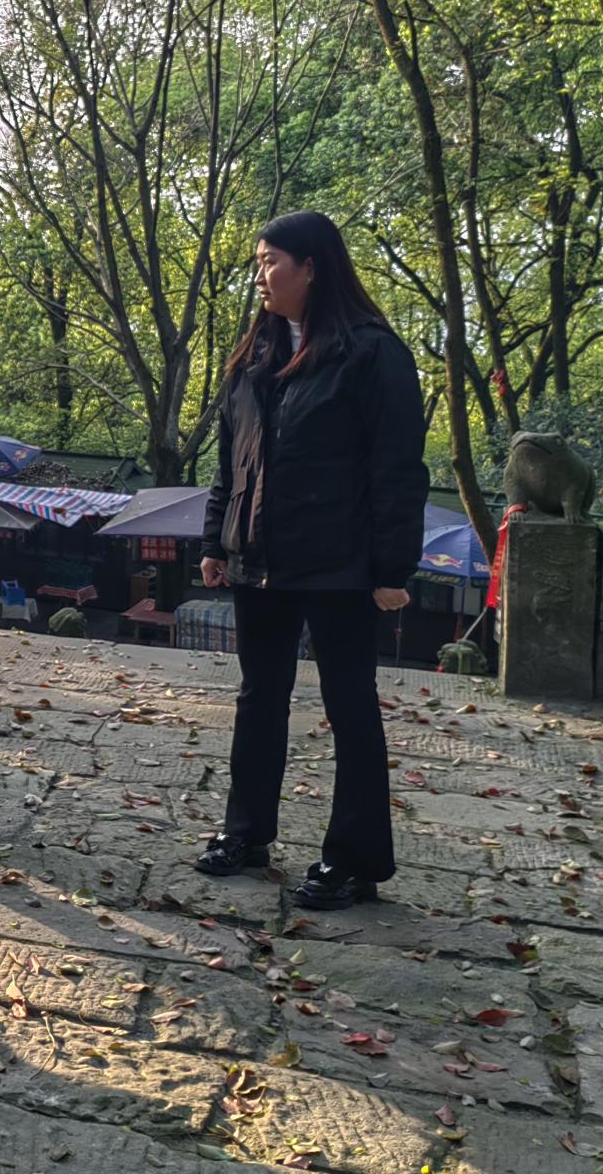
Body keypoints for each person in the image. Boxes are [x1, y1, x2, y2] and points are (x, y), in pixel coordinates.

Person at [196, 209, 429, 909]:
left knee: (349, 704)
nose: (260, 276)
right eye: (258, 263)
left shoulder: (372, 354)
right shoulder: (253, 358)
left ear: (312, 268)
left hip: (340, 565)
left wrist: (391, 569)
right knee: (258, 697)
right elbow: (229, 462)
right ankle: (246, 834)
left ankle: (354, 860)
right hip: (257, 559)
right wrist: (215, 541)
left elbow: (398, 470)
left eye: (270, 262)